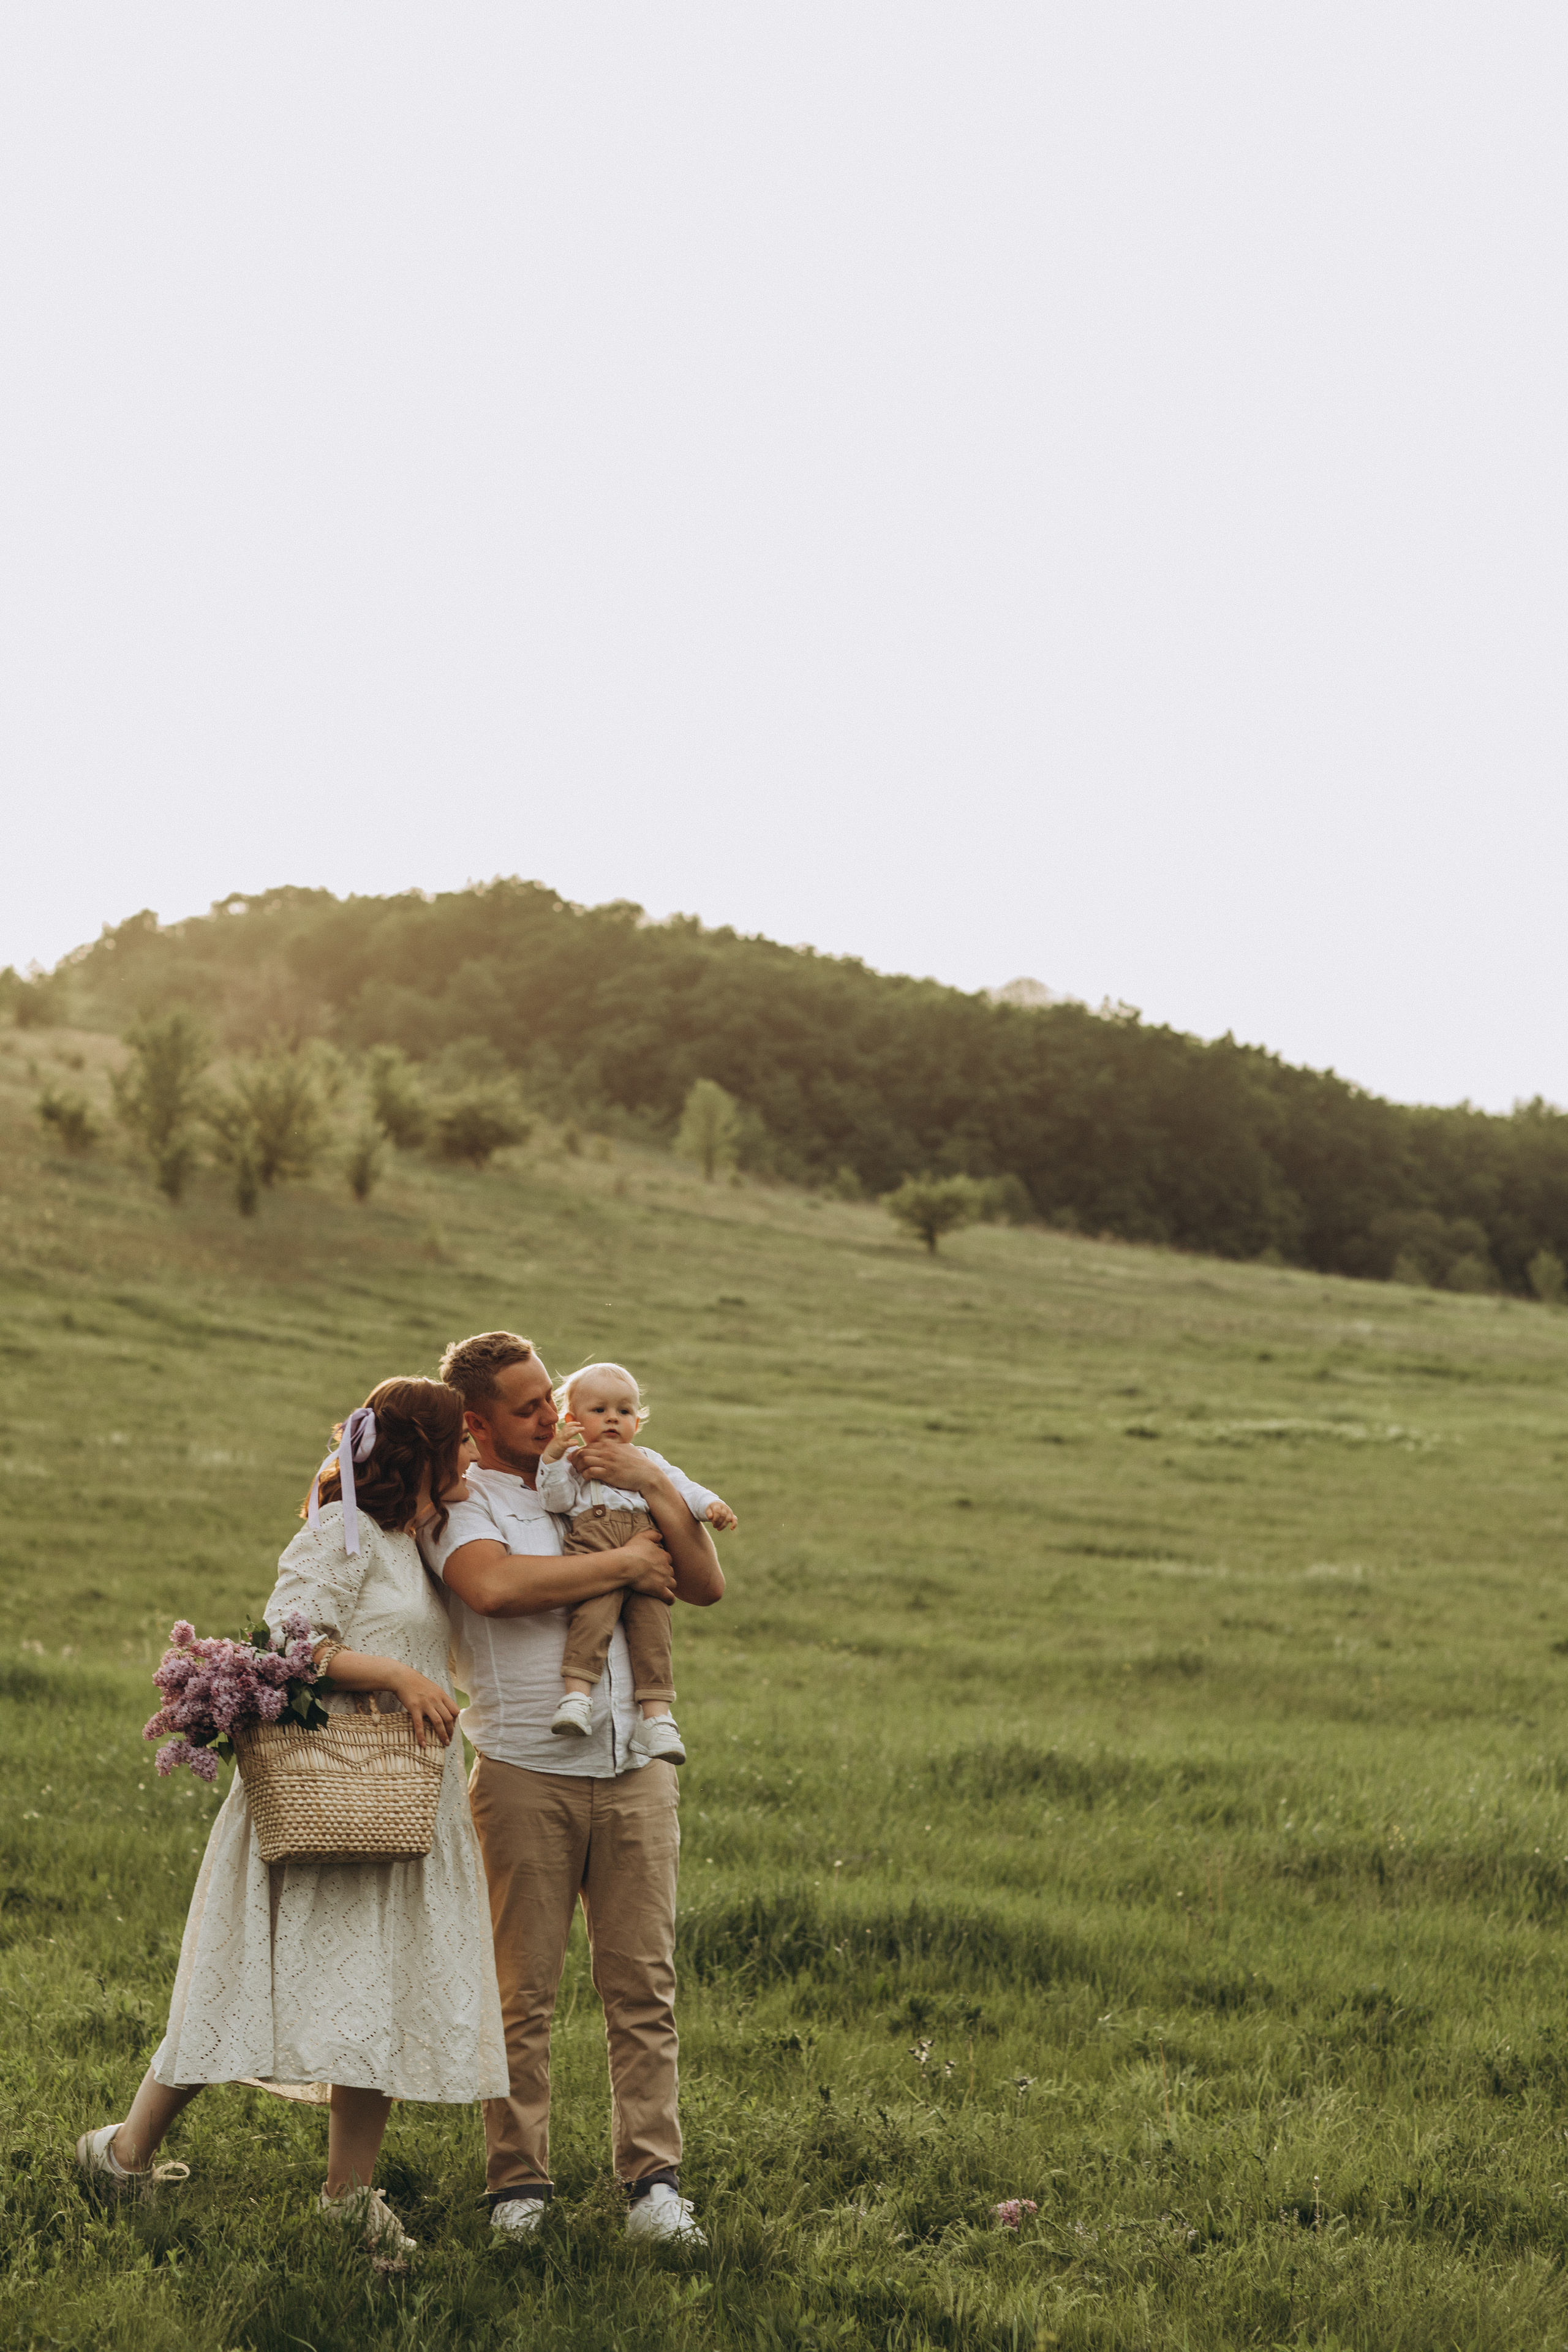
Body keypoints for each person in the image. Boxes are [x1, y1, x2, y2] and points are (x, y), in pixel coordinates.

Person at [75, 1378, 508, 2255]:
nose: (471, 1453)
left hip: (398, 1796)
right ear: (423, 1450)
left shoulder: (413, 1541)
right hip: (326, 1784)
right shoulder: (340, 1530)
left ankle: (349, 2199)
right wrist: (396, 1676)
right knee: (243, 1983)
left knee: (374, 1989)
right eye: (459, 1441)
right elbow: (287, 1636)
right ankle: (121, 2155)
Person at [423, 1329, 725, 2246]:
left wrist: (660, 1488)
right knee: (523, 1995)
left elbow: (706, 1583)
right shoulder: (462, 1499)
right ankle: (519, 2189)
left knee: (644, 1985)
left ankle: (654, 2189)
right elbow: (496, 1589)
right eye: (527, 1405)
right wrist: (628, 1565)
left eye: (551, 1394)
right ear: (476, 1421)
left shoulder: (616, 1471)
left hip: (635, 1767)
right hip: (524, 1773)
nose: (551, 1414)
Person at [537, 1359, 737, 1765]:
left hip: (650, 1566)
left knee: (653, 1635)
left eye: (624, 1411)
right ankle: (576, 1697)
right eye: (599, 1411)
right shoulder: (575, 1464)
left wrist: (711, 1505)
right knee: (590, 1621)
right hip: (597, 1554)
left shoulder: (649, 1461)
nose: (613, 1419)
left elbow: (682, 1489)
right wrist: (555, 1457)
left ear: (638, 1423)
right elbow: (554, 1500)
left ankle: (657, 1719)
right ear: (572, 1421)